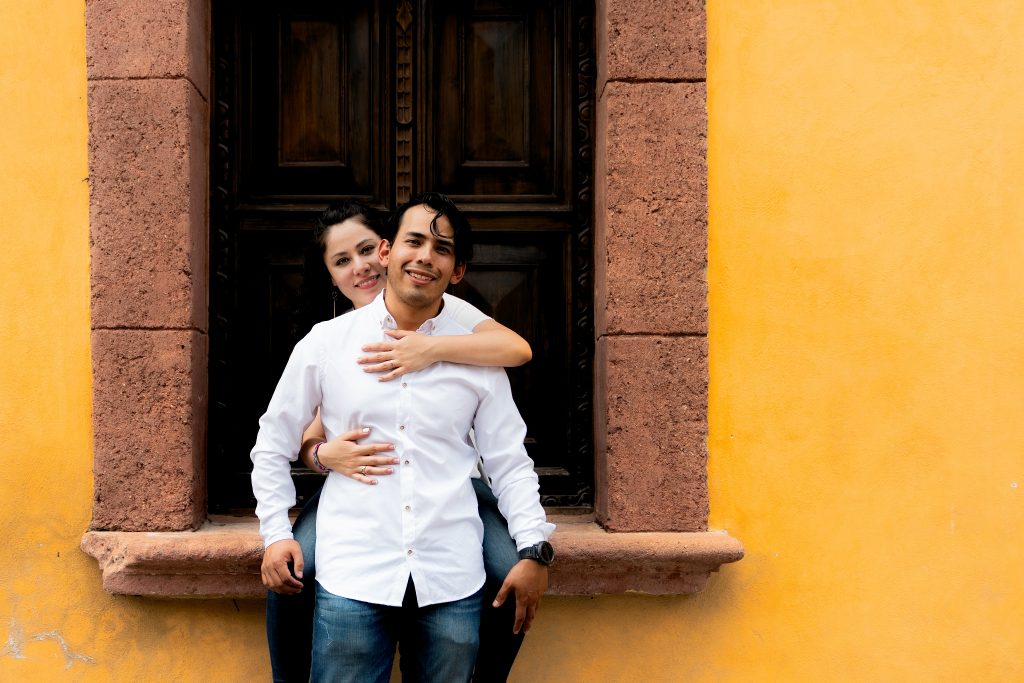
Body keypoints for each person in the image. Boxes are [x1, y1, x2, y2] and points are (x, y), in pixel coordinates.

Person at [257, 199, 546, 682]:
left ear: (456, 271)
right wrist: (277, 528)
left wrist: (536, 547)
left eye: (441, 249)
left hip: (450, 568)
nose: (425, 257)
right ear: (392, 251)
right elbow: (276, 439)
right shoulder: (326, 342)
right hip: (355, 565)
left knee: (507, 568)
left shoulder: (471, 343)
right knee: (291, 571)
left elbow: (509, 459)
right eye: (414, 241)